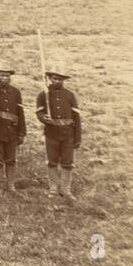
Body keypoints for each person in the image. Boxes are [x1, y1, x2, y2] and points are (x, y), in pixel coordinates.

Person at [36, 67, 80, 201]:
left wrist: (77, 138)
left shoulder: (70, 95)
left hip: (68, 134)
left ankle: (65, 190)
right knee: (52, 162)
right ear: (50, 79)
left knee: (67, 163)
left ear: (64, 80)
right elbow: (39, 112)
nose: (57, 81)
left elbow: (76, 118)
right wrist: (44, 118)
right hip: (51, 134)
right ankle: (53, 189)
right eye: (54, 78)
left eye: (60, 79)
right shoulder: (43, 94)